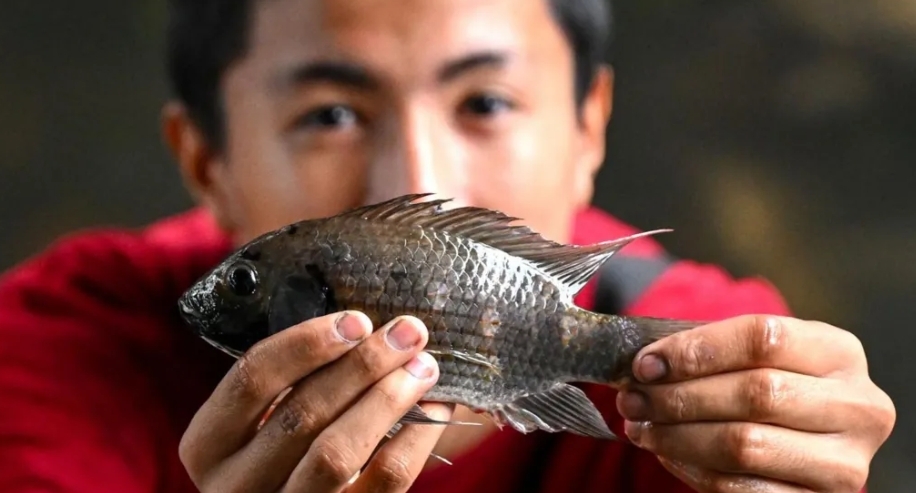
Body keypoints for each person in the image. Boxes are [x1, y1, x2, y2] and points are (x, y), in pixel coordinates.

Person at [0, 0, 895, 491]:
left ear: (591, 129)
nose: (414, 177)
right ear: (207, 160)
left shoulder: (706, 362)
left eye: (486, 103)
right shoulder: (56, 345)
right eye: (331, 114)